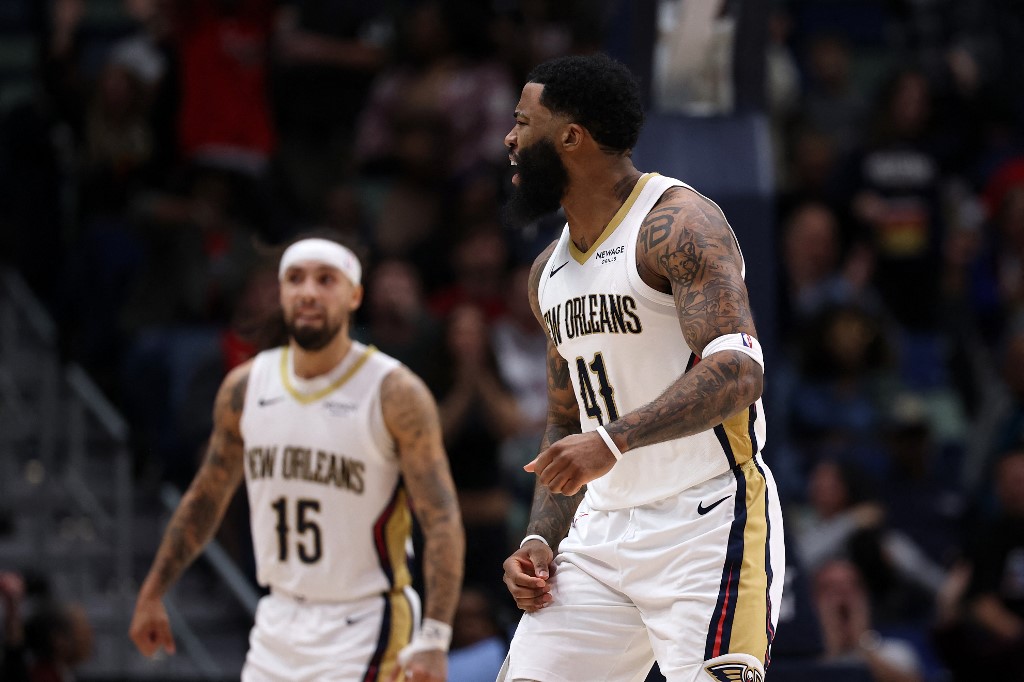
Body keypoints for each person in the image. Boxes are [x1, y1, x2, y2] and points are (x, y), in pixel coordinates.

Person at [498, 53, 786, 682]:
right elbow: (564, 416)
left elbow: (740, 370)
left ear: (571, 138)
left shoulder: (677, 224)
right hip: (600, 533)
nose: (509, 139)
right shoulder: (547, 271)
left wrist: (614, 440)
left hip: (705, 524)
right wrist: (542, 538)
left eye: (523, 123)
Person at [129, 235, 465, 682]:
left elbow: (441, 520)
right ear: (281, 292)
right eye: (295, 279)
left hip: (368, 621)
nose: (308, 291)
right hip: (277, 620)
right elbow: (205, 497)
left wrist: (436, 637)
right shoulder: (245, 387)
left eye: (326, 280)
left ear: (355, 296)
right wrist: (153, 592)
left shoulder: (394, 392)